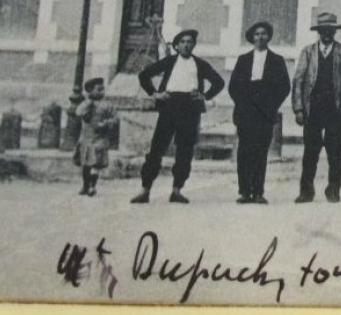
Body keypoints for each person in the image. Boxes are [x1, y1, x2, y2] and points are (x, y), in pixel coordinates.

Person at [131, 29, 225, 204]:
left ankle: (177, 190)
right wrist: (155, 94)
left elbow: (219, 82)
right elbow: (144, 75)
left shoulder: (200, 64)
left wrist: (205, 96)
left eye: (190, 42)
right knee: (157, 149)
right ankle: (145, 190)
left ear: (194, 45)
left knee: (185, 150)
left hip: (190, 107)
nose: (186, 45)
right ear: (176, 45)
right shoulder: (169, 61)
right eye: (183, 42)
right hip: (169, 106)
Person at [291, 11, 341, 203]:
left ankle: (334, 189)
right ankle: (306, 191)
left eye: (330, 30)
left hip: (335, 109)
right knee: (310, 152)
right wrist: (298, 109)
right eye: (323, 30)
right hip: (313, 109)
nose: (326, 34)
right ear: (318, 32)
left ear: (335, 31)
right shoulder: (308, 52)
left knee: (335, 152)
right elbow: (298, 80)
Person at [228, 19, 291, 204]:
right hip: (246, 111)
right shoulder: (243, 59)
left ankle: (258, 191)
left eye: (263, 34)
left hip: (265, 112)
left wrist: (270, 106)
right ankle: (244, 191)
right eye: (257, 34)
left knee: (260, 151)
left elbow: (284, 87)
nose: (260, 37)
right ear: (252, 38)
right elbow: (233, 87)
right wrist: (242, 104)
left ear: (268, 37)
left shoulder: (277, 60)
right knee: (245, 151)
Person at [73, 77, 119, 196]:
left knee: (95, 165)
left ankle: (92, 187)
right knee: (86, 165)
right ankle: (85, 185)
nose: (101, 91)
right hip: (87, 138)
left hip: (100, 138)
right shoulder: (87, 104)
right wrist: (88, 103)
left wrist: (106, 123)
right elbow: (78, 112)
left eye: (102, 89)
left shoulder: (107, 105)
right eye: (98, 89)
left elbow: (115, 119)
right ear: (90, 91)